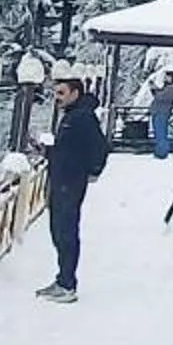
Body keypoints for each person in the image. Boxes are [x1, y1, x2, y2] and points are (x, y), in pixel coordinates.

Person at [38, 77, 109, 304]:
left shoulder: (82, 117)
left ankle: (67, 284)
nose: (57, 98)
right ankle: (63, 279)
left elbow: (100, 146)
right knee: (58, 231)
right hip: (62, 180)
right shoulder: (72, 116)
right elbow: (69, 150)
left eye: (61, 93)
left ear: (75, 93)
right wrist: (48, 151)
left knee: (66, 231)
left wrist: (93, 170)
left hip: (70, 182)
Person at [147, 70, 173, 161]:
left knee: (161, 133)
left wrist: (154, 89)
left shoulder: (172, 88)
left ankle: (162, 152)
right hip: (158, 112)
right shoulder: (167, 87)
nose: (165, 78)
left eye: (167, 77)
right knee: (158, 132)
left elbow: (161, 97)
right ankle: (159, 151)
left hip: (162, 112)